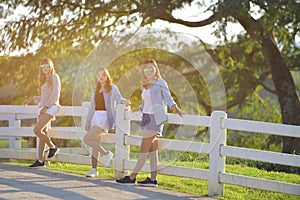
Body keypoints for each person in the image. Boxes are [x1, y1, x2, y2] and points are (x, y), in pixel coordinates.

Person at [116, 59, 183, 187]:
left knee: (143, 148)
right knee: (152, 150)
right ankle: (153, 180)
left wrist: (176, 108)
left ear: (156, 69)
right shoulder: (145, 85)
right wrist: (139, 108)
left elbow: (168, 97)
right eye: (147, 69)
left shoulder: (160, 82)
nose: (149, 71)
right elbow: (146, 102)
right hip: (146, 117)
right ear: (144, 72)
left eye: (152, 68)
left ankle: (132, 177)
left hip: (155, 118)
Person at [83, 67, 130, 178]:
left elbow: (119, 98)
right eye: (99, 75)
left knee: (87, 139)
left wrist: (125, 101)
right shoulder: (95, 89)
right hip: (95, 117)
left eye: (103, 74)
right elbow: (92, 106)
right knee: (95, 143)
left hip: (105, 118)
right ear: (96, 76)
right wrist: (88, 120)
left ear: (107, 75)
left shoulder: (112, 88)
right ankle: (94, 169)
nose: (101, 77)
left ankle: (106, 153)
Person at [24, 58, 61, 168]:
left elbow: (55, 94)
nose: (45, 68)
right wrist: (32, 99)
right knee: (42, 133)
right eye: (43, 66)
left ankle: (53, 147)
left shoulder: (55, 77)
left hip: (51, 107)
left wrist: (46, 106)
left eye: (47, 66)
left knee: (37, 130)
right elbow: (44, 96)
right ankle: (40, 160)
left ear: (51, 66)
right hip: (43, 108)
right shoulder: (44, 79)